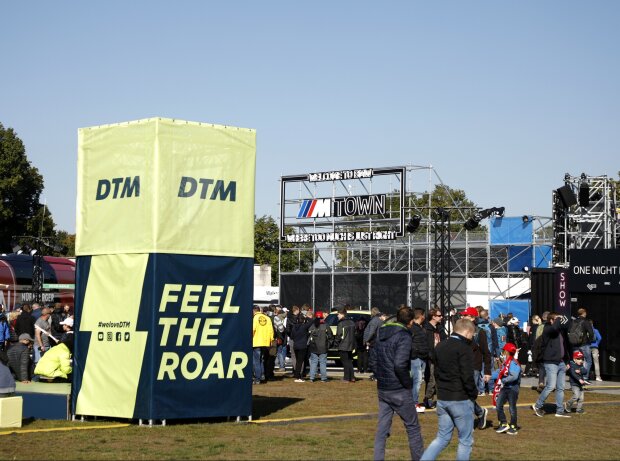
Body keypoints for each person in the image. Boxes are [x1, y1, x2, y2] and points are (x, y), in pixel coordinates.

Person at [370, 306, 423, 461]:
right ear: (411, 321)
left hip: (383, 388)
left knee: (382, 429)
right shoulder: (404, 336)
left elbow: (373, 360)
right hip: (399, 388)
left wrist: (380, 376)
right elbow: (400, 364)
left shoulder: (381, 332)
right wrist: (408, 384)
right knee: (413, 427)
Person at [421, 318, 478, 461]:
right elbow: (467, 376)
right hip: (460, 398)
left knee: (442, 438)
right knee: (465, 440)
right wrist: (473, 393)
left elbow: (436, 372)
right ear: (467, 332)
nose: (472, 338)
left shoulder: (440, 346)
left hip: (443, 398)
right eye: (472, 335)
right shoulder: (464, 349)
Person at [531, 312, 571, 418]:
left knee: (561, 387)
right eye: (557, 319)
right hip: (551, 362)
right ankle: (538, 405)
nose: (559, 321)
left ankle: (559, 410)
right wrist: (558, 319)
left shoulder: (560, 331)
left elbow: (565, 345)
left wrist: (567, 361)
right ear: (552, 320)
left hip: (561, 362)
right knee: (551, 386)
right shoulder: (548, 329)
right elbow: (554, 329)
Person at [460, 307, 490, 430]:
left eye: (465, 315)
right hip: (459, 366)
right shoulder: (458, 331)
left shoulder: (479, 332)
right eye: (462, 315)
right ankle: (480, 412)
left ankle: (469, 423)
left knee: (468, 395)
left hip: (473, 367)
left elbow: (486, 352)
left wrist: (487, 371)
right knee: (462, 394)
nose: (462, 317)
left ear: (472, 318)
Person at [493, 343, 521, 435]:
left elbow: (514, 376)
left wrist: (504, 380)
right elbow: (499, 373)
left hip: (513, 388)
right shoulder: (506, 363)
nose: (502, 353)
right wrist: (489, 376)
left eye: (504, 351)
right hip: (505, 388)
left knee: (512, 407)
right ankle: (503, 423)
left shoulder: (513, 362)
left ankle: (513, 425)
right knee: (498, 404)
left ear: (508, 352)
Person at [423, 307, 446, 409]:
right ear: (433, 316)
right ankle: (428, 399)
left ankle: (439, 399)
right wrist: (431, 356)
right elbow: (426, 345)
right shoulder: (426, 328)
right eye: (439, 315)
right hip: (430, 358)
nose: (441, 317)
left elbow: (444, 341)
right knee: (431, 379)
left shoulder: (440, 328)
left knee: (439, 379)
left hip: (440, 357)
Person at [410, 307, 429, 412]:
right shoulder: (413, 328)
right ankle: (414, 403)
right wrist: (416, 352)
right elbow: (411, 342)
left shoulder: (421, 327)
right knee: (417, 381)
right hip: (416, 357)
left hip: (422, 357)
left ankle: (413, 402)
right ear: (421, 316)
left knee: (418, 381)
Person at [308, 311, 333, 382]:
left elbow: (308, 335)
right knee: (322, 362)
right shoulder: (325, 325)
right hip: (323, 347)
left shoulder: (312, 325)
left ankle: (311, 377)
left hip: (313, 346)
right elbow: (330, 335)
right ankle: (323, 378)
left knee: (313, 362)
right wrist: (329, 344)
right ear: (322, 317)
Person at [252, 306, 273, 385]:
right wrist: (270, 340)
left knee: (256, 361)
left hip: (256, 342)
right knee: (261, 360)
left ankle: (257, 378)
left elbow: (253, 329)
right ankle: (262, 375)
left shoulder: (255, 318)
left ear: (254, 311)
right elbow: (271, 330)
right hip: (265, 342)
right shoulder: (267, 318)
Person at [364, 309, 386, 381]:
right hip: (380, 343)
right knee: (379, 361)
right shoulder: (381, 322)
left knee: (373, 361)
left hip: (374, 343)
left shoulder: (374, 321)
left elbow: (371, 332)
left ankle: (377, 376)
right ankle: (378, 375)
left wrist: (366, 340)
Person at [335, 308, 356, 383]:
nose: (337, 316)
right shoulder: (352, 322)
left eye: (338, 314)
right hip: (351, 345)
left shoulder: (341, 324)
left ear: (342, 314)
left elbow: (338, 335)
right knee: (349, 361)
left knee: (345, 362)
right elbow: (355, 334)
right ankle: (352, 377)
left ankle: (346, 378)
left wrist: (336, 343)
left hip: (343, 345)